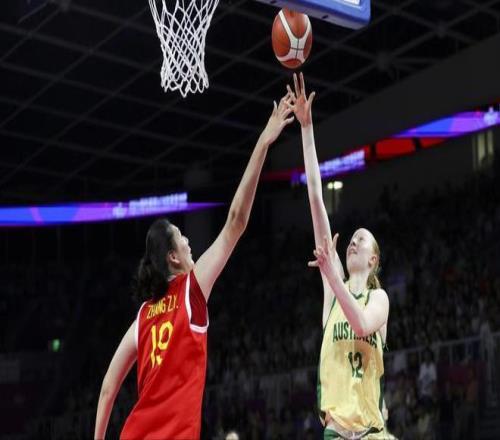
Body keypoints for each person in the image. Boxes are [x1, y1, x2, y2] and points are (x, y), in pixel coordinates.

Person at [93, 92, 295, 440]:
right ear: (173, 257)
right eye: (182, 236)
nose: (189, 241)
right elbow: (236, 221)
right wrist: (264, 141)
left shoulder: (143, 316)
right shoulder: (191, 289)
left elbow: (109, 387)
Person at [286, 73, 390, 439]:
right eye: (352, 240)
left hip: (372, 430)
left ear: (374, 260)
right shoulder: (332, 291)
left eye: (362, 240)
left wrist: (332, 276)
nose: (353, 243)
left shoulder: (379, 298)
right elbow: (316, 197)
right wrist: (307, 128)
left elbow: (361, 325)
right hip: (337, 431)